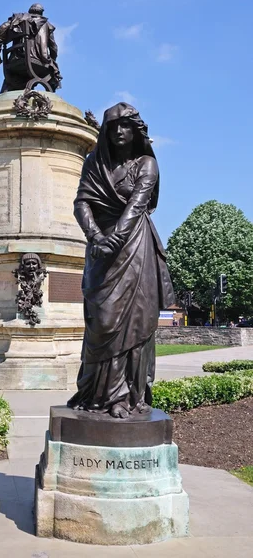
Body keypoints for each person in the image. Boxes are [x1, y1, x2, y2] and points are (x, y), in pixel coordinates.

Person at [67, 102, 174, 419]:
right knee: (102, 320)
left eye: (125, 126)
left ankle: (123, 397)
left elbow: (137, 205)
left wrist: (114, 238)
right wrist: (96, 236)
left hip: (135, 250)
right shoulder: (94, 163)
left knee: (133, 323)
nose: (118, 132)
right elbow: (81, 202)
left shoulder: (146, 165)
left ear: (136, 130)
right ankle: (95, 393)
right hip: (102, 253)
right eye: (112, 127)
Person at [0, 3, 62, 92]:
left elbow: (2, 29)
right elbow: (53, 47)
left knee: (11, 80)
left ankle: (3, 94)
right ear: (41, 13)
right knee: (53, 72)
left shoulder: (19, 18)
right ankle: (52, 98)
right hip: (40, 63)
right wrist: (53, 60)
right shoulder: (46, 24)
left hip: (15, 61)